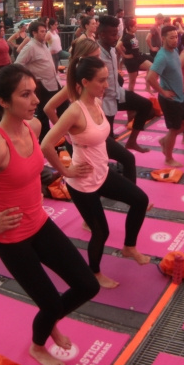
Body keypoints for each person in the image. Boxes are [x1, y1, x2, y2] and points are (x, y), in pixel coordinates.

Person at [0, 65, 100, 365]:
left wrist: (67, 170)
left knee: (87, 286)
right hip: (11, 236)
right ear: (4, 102)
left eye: (35, 93)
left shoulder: (35, 127)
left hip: (39, 222)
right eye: (25, 94)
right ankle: (38, 344)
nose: (34, 100)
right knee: (51, 302)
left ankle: (50, 316)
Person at [41, 56, 151, 289]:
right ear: (85, 82)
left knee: (140, 200)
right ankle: (95, 272)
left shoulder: (97, 104)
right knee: (101, 232)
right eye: (101, 81)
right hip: (82, 182)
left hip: (103, 172)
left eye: (106, 79)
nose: (106, 85)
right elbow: (46, 145)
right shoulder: (74, 111)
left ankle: (129, 246)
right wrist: (66, 171)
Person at [96, 16, 153, 165]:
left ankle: (132, 141)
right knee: (107, 140)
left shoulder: (113, 50)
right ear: (102, 34)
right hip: (104, 100)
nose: (116, 38)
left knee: (146, 105)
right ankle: (105, 165)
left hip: (118, 94)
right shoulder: (95, 53)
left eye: (117, 34)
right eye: (113, 34)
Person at [148, 26, 184, 168]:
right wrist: (163, 92)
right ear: (163, 38)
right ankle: (168, 158)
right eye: (171, 37)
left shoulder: (174, 51)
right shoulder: (162, 57)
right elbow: (150, 78)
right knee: (173, 130)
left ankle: (165, 141)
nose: (175, 40)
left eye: (176, 37)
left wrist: (181, 83)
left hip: (179, 95)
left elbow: (175, 71)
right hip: (170, 99)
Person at [17, 20, 62, 141]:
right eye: (42, 31)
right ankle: (45, 141)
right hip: (43, 86)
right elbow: (18, 65)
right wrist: (31, 79)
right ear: (34, 33)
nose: (44, 33)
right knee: (43, 115)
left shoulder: (43, 44)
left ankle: (61, 135)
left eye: (45, 31)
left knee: (63, 106)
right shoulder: (30, 47)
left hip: (54, 82)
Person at [118, 16, 151, 93]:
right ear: (130, 27)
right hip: (131, 61)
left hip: (137, 58)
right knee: (132, 81)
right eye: (135, 27)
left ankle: (147, 85)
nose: (136, 28)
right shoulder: (126, 37)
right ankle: (131, 96)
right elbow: (117, 46)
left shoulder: (132, 35)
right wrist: (124, 55)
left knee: (151, 67)